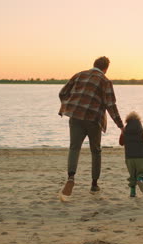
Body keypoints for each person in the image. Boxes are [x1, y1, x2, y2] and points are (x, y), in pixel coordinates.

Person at [58, 56, 124, 196]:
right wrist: (121, 126)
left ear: (94, 64)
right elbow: (111, 105)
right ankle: (94, 185)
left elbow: (62, 93)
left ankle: (71, 177)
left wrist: (68, 105)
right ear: (105, 68)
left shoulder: (79, 75)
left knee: (74, 148)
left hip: (75, 116)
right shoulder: (105, 81)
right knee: (96, 151)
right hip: (93, 120)